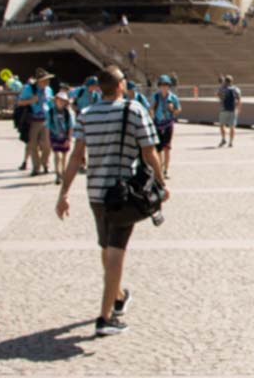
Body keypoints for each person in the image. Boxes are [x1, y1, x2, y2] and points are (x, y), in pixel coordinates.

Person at [56, 65, 168, 336]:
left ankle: (117, 295)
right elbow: (149, 151)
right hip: (122, 194)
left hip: (95, 192)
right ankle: (105, 318)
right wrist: (162, 183)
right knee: (116, 253)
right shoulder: (134, 111)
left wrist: (63, 194)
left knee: (106, 248)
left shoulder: (85, 114)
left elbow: (75, 157)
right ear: (121, 86)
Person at [17, 68, 54, 176]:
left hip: (46, 120)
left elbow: (50, 103)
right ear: (39, 81)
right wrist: (30, 101)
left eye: (48, 80)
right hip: (33, 120)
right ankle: (36, 168)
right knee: (33, 145)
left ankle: (45, 163)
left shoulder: (49, 90)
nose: (47, 82)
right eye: (45, 80)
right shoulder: (29, 89)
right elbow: (19, 102)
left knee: (47, 145)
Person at [150, 75, 181, 177]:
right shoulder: (155, 96)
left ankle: (166, 170)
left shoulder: (173, 98)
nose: (164, 87)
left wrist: (172, 109)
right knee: (158, 148)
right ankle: (159, 167)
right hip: (158, 123)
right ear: (159, 86)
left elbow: (178, 110)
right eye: (162, 85)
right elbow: (151, 109)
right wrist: (151, 111)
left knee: (167, 148)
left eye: (166, 85)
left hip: (168, 123)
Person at [48, 91, 76, 184]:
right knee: (57, 155)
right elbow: (48, 125)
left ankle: (63, 172)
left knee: (64, 156)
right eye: (59, 100)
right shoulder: (51, 112)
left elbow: (71, 126)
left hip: (64, 135)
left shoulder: (68, 113)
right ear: (55, 100)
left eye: (63, 101)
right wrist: (48, 138)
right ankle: (57, 173)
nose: (61, 102)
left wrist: (69, 138)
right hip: (54, 135)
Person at [217, 75, 242, 148]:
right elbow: (239, 99)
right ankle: (231, 142)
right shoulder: (236, 89)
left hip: (223, 110)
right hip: (233, 110)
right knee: (232, 127)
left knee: (222, 125)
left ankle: (223, 139)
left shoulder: (222, 88)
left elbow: (218, 96)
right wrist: (239, 108)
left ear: (225, 81)